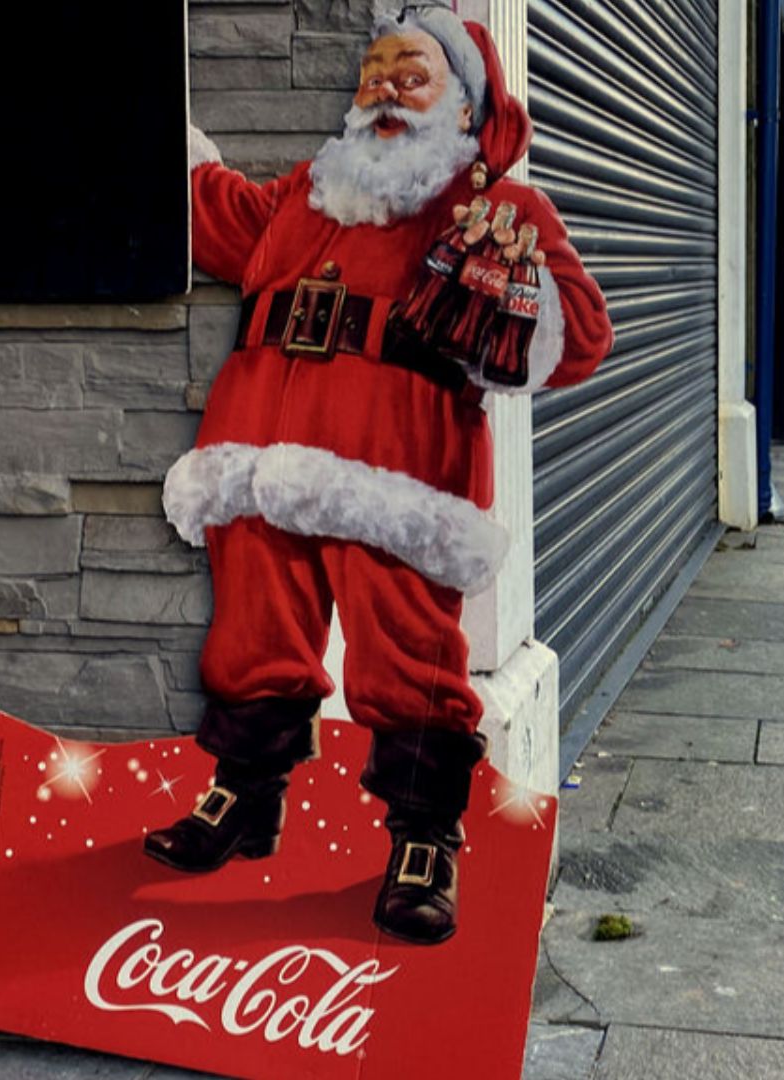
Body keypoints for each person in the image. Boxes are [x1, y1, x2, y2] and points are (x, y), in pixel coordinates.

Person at [145, 4, 613, 945]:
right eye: (375, 72)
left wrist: (521, 279)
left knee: (408, 658)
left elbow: (580, 341)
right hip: (255, 465)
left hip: (397, 478)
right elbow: (207, 206)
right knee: (252, 640)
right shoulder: (299, 197)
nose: (386, 90)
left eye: (414, 74)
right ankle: (245, 797)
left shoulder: (496, 209)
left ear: (463, 106)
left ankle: (425, 838)